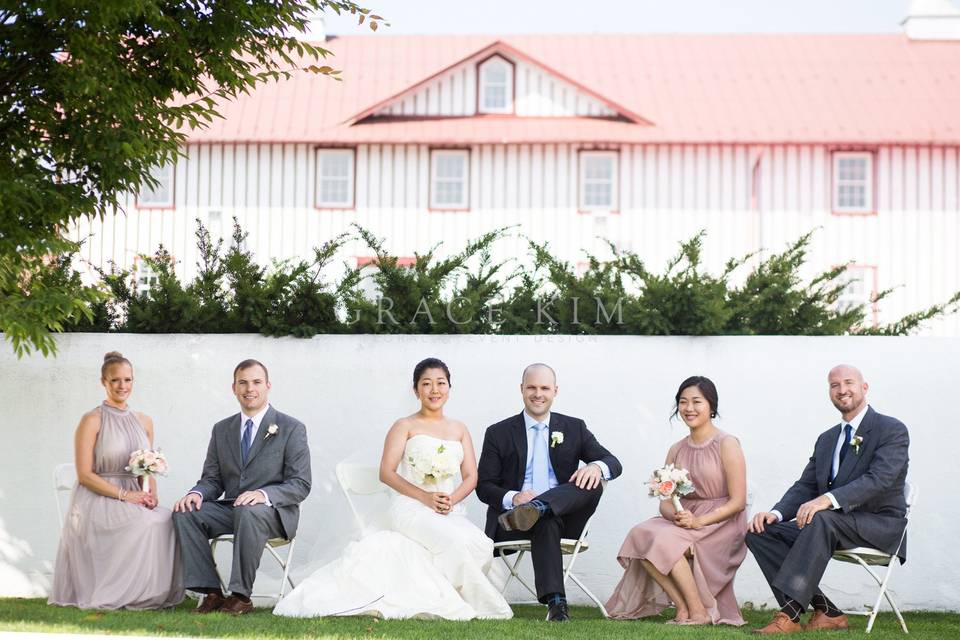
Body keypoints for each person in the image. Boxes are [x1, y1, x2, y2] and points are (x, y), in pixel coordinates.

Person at [274, 357, 512, 620]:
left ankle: (446, 595)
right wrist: (425, 497)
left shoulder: (459, 429)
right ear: (415, 390)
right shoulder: (405, 426)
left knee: (480, 544)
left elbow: (471, 476)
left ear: (449, 388)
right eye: (427, 384)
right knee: (453, 542)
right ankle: (487, 607)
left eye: (440, 383)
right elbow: (386, 473)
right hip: (411, 508)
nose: (434, 390)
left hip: (448, 509)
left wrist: (451, 500)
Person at [746, 364, 910, 634]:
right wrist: (775, 513)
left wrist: (827, 500)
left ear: (864, 387)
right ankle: (827, 612)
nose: (842, 390)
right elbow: (806, 485)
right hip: (833, 525)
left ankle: (789, 614)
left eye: (849, 383)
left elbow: (879, 479)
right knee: (761, 532)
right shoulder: (827, 439)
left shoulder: (891, 430)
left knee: (821, 518)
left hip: (879, 525)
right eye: (835, 385)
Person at [476, 363, 622, 622]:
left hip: (566, 521)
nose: (538, 393)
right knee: (547, 519)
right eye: (531, 387)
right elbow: (484, 486)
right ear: (521, 389)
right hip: (512, 522)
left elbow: (613, 463)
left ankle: (540, 506)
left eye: (544, 388)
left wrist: (596, 466)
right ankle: (557, 606)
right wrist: (515, 498)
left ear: (555, 391)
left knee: (592, 480)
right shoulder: (498, 433)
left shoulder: (574, 428)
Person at [605, 376, 747, 625]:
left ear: (711, 406)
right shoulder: (676, 449)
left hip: (720, 522)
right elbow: (666, 499)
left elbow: (738, 501)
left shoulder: (727, 444)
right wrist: (677, 516)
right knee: (641, 534)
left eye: (696, 402)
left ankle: (700, 611)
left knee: (663, 538)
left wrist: (698, 521)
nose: (689, 408)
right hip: (683, 520)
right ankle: (682, 607)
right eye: (683, 402)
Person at [173, 359, 311, 615]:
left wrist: (263, 494)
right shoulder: (222, 429)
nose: (250, 389)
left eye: (256, 382)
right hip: (232, 509)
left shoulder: (291, 428)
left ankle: (240, 596)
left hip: (272, 514)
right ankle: (211, 592)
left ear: (268, 386)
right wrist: (196, 493)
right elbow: (213, 479)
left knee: (249, 511)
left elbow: (300, 484)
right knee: (185, 512)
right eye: (243, 383)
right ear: (234, 388)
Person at [49, 351, 184, 610]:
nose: (122, 386)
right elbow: (85, 474)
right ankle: (121, 593)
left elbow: (148, 465)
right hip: (100, 497)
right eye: (115, 381)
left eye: (128, 380)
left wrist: (150, 495)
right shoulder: (92, 420)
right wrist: (125, 496)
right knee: (142, 522)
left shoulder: (144, 421)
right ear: (104, 382)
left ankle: (148, 592)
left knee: (165, 518)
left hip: (136, 492)